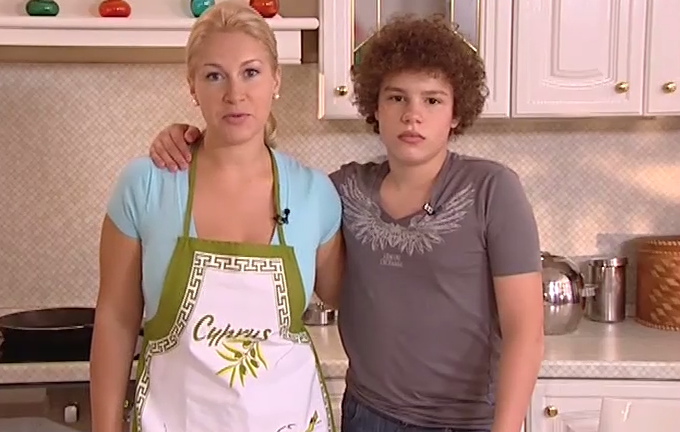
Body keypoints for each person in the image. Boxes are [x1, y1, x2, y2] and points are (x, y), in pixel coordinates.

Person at [145, 13, 544, 432]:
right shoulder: (342, 191)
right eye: (396, 98)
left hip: (465, 422)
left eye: (432, 100)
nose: (412, 115)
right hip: (366, 415)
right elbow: (257, 168)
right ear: (375, 107)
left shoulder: (492, 189)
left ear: (456, 112)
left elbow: (525, 331)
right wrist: (185, 137)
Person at [89, 2, 345, 432]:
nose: (234, 94)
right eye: (214, 76)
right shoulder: (146, 185)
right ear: (192, 86)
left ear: (276, 80)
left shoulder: (314, 194)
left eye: (251, 72)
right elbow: (115, 319)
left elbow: (350, 300)